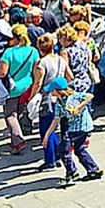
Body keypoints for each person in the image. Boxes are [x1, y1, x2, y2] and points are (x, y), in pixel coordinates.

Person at [42, 76, 103, 186]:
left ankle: (72, 172)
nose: (51, 93)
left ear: (58, 91)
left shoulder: (74, 96)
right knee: (79, 149)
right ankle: (93, 169)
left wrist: (78, 107)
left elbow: (90, 96)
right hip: (74, 128)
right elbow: (56, 120)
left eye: (52, 90)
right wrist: (47, 135)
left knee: (63, 150)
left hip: (80, 127)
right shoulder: (59, 103)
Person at [0, 24, 38, 154]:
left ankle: (18, 141)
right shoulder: (33, 51)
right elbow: (36, 71)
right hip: (28, 86)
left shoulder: (9, 53)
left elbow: (2, 72)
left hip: (12, 88)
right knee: (20, 111)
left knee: (10, 115)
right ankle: (22, 131)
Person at [28, 33, 68, 170]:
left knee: (46, 130)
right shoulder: (61, 60)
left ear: (40, 48)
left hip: (47, 98)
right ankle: (58, 154)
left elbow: (38, 82)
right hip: (60, 97)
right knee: (54, 127)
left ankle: (49, 160)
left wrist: (32, 97)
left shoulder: (42, 63)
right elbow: (69, 76)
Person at [57, 23, 91, 95]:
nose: (59, 40)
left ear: (65, 38)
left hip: (75, 82)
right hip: (85, 79)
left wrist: (69, 85)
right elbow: (89, 57)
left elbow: (66, 70)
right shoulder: (82, 44)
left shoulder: (65, 52)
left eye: (60, 37)